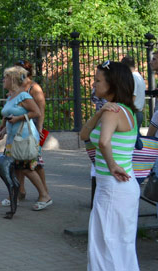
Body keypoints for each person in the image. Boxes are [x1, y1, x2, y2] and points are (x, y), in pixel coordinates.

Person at [79, 60, 139, 271]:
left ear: (112, 84)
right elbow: (84, 135)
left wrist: (112, 165)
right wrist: (98, 112)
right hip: (121, 188)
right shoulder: (124, 111)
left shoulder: (112, 112)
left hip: (113, 186)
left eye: (97, 81)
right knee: (120, 247)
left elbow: (103, 142)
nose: (93, 85)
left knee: (105, 249)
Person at [0, 66, 52, 211]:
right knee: (13, 167)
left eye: (6, 77)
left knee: (27, 167)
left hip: (24, 136)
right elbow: (6, 113)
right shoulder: (11, 96)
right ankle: (16, 194)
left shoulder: (24, 96)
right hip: (13, 137)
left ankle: (45, 196)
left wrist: (19, 118)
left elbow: (37, 112)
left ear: (13, 79)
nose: (3, 80)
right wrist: (2, 129)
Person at [15, 60, 49, 202]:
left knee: (35, 162)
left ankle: (44, 191)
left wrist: (40, 126)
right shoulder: (16, 86)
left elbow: (41, 108)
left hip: (31, 127)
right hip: (17, 128)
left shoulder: (34, 87)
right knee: (17, 161)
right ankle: (20, 190)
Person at [120, 55, 146, 126]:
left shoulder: (133, 77)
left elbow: (133, 96)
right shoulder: (139, 76)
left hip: (133, 112)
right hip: (138, 112)